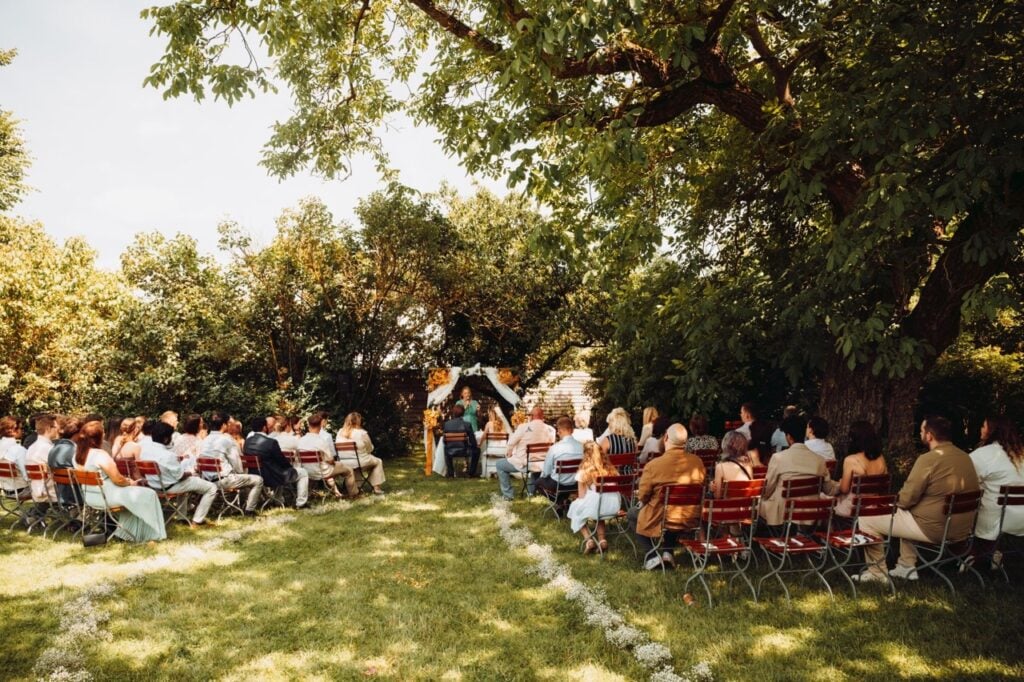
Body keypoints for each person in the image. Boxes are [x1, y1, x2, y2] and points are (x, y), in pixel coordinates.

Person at [857, 416, 980, 583]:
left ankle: (877, 573)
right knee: (909, 512)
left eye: (921, 431)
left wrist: (892, 504)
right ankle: (906, 566)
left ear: (929, 435)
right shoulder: (965, 457)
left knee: (867, 516)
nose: (920, 433)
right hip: (961, 529)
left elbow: (907, 498)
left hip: (935, 528)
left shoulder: (928, 459)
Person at [74, 420, 166, 543]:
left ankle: (125, 534)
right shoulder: (100, 455)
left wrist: (127, 482)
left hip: (90, 496)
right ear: (99, 437)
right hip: (108, 496)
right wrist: (130, 482)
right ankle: (154, 533)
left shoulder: (77, 455)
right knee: (149, 494)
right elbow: (117, 479)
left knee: (137, 497)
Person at [632, 424, 705, 569]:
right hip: (690, 516)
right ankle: (668, 553)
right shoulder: (698, 462)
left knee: (632, 514)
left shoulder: (654, 465)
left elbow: (643, 495)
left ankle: (652, 555)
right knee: (670, 512)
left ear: (665, 438)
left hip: (663, 517)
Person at [760, 415, 838, 529]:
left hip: (783, 515)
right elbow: (829, 490)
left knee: (758, 504)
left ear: (789, 437)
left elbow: (767, 490)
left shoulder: (778, 458)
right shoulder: (819, 460)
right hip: (810, 514)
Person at [139, 422, 218, 526]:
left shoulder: (145, 451)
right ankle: (197, 520)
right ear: (166, 439)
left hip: (154, 485)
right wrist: (191, 472)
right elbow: (180, 476)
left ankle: (182, 517)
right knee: (212, 488)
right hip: (169, 487)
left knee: (186, 485)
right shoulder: (167, 455)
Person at [969, 416, 1024, 562]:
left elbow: (967, 482)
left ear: (992, 431)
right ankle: (988, 553)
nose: (981, 429)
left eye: (983, 426)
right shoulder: (1021, 455)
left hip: (995, 519)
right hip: (1020, 517)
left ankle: (974, 554)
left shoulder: (983, 455)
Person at [199, 413, 264, 513]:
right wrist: (241, 473)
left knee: (242, 478)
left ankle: (236, 506)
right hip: (223, 481)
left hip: (207, 480)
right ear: (224, 425)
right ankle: (249, 510)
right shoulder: (227, 440)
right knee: (258, 480)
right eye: (229, 424)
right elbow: (237, 465)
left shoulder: (205, 439)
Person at [567, 440, 622, 553]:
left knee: (575, 507)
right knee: (598, 506)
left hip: (598, 506)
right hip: (614, 506)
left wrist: (577, 499)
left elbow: (582, 496)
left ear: (585, 455)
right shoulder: (611, 469)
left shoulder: (583, 472)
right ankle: (602, 540)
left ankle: (588, 539)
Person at [245, 416, 309, 508]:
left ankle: (278, 500)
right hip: (270, 477)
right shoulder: (271, 442)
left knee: (279, 470)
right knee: (302, 472)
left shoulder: (247, 441)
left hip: (254, 474)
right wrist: (290, 468)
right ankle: (301, 503)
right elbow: (281, 461)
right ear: (264, 427)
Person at [496, 407, 556, 500]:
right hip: (542, 464)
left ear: (531, 417)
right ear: (542, 416)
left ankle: (508, 495)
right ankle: (531, 493)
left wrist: (508, 452)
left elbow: (511, 443)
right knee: (534, 465)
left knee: (499, 464)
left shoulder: (524, 427)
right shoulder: (551, 430)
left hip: (526, 463)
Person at [834, 421, 888, 518]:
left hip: (854, 507)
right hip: (873, 506)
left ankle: (830, 531)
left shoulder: (850, 460)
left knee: (822, 499)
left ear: (854, 439)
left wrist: (842, 482)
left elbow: (844, 489)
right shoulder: (881, 458)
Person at [298, 413, 358, 498]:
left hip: (307, 472)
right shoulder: (321, 441)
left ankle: (334, 492)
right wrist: (334, 463)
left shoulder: (301, 441)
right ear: (320, 425)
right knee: (349, 470)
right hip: (323, 472)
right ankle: (354, 494)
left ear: (309, 425)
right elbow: (330, 460)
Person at [535, 416, 584, 510]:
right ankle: (564, 501)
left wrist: (543, 476)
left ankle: (560, 502)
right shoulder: (582, 447)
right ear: (572, 430)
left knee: (538, 483)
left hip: (558, 484)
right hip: (576, 483)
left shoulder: (554, 448)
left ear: (559, 431)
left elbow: (546, 472)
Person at [336, 412, 386, 494]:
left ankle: (357, 486)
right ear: (358, 422)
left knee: (356, 464)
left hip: (344, 462)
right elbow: (370, 448)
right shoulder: (362, 433)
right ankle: (376, 488)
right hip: (360, 461)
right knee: (378, 461)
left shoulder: (340, 432)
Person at [26, 414, 59, 504]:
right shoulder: (49, 449)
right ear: (48, 428)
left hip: (36, 492)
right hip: (52, 494)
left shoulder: (31, 448)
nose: (58, 430)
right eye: (55, 427)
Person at [48, 416, 81, 505]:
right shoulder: (74, 451)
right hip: (77, 496)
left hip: (60, 494)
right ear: (76, 433)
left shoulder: (53, 449)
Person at [712, 430, 755, 497]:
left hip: (729, 506)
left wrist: (712, 490)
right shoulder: (748, 465)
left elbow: (717, 496)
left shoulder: (720, 467)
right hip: (746, 505)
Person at [442, 404, 480, 478]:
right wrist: (474, 445)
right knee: (477, 450)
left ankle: (450, 473)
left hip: (450, 451)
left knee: (445, 448)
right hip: (464, 451)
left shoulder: (447, 424)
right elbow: (473, 442)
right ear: (463, 413)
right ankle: (471, 473)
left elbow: (444, 441)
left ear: (453, 413)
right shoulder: (467, 424)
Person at [0, 416, 29, 494]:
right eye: (21, 428)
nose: (22, 431)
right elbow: (27, 476)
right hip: (21, 490)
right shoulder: (18, 450)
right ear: (13, 430)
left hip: (6, 489)